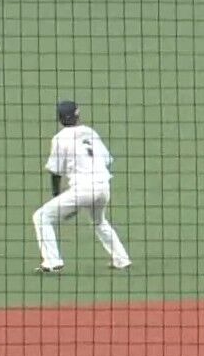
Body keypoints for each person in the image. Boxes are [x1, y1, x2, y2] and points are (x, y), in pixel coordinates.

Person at [32, 101, 132, 274]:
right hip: (103, 187)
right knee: (99, 222)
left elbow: (55, 172)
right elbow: (107, 160)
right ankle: (121, 259)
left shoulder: (60, 138)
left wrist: (57, 196)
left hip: (82, 190)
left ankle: (52, 261)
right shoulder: (90, 132)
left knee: (41, 217)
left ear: (59, 118)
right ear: (78, 115)